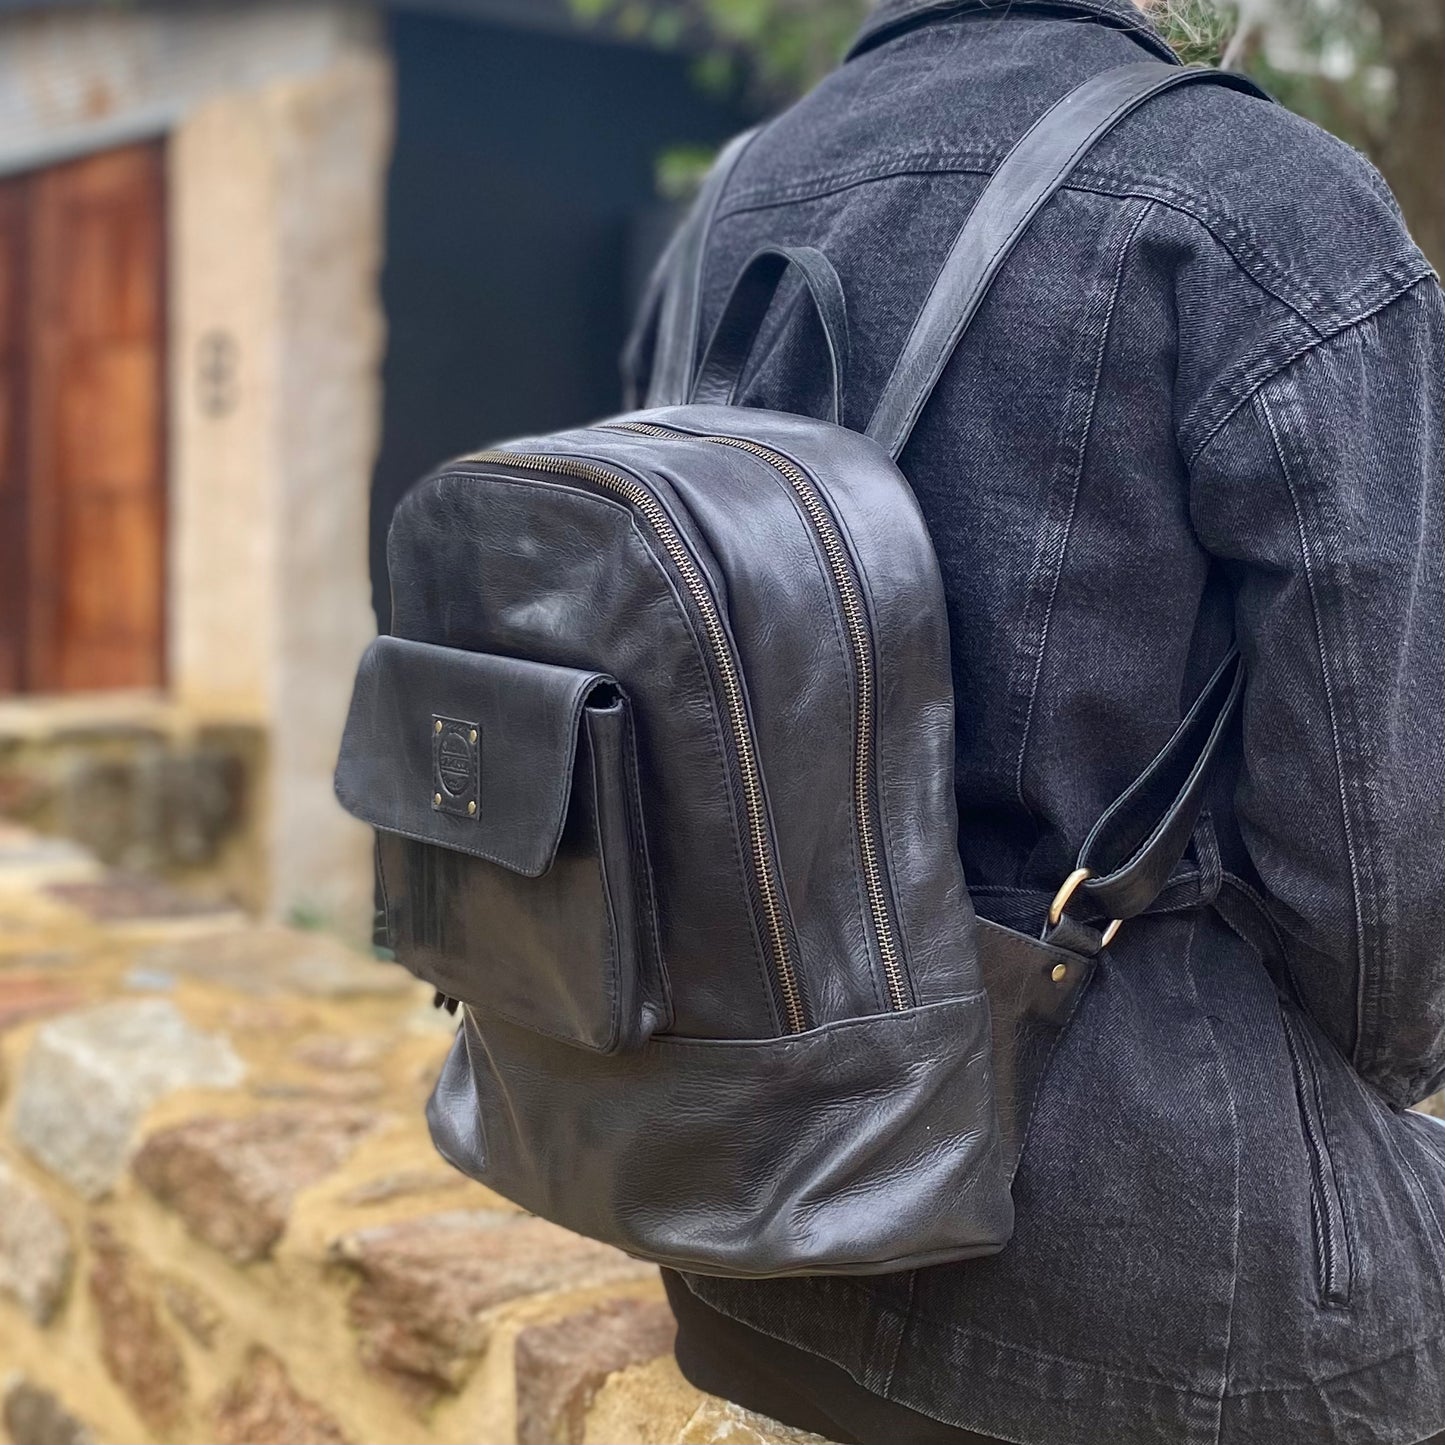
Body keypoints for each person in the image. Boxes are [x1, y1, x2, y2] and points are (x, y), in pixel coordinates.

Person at [640, 2, 1445, 1442]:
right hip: (1158, 1301)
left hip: (740, 1220)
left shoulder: (736, 191)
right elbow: (1379, 899)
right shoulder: (1266, 204)